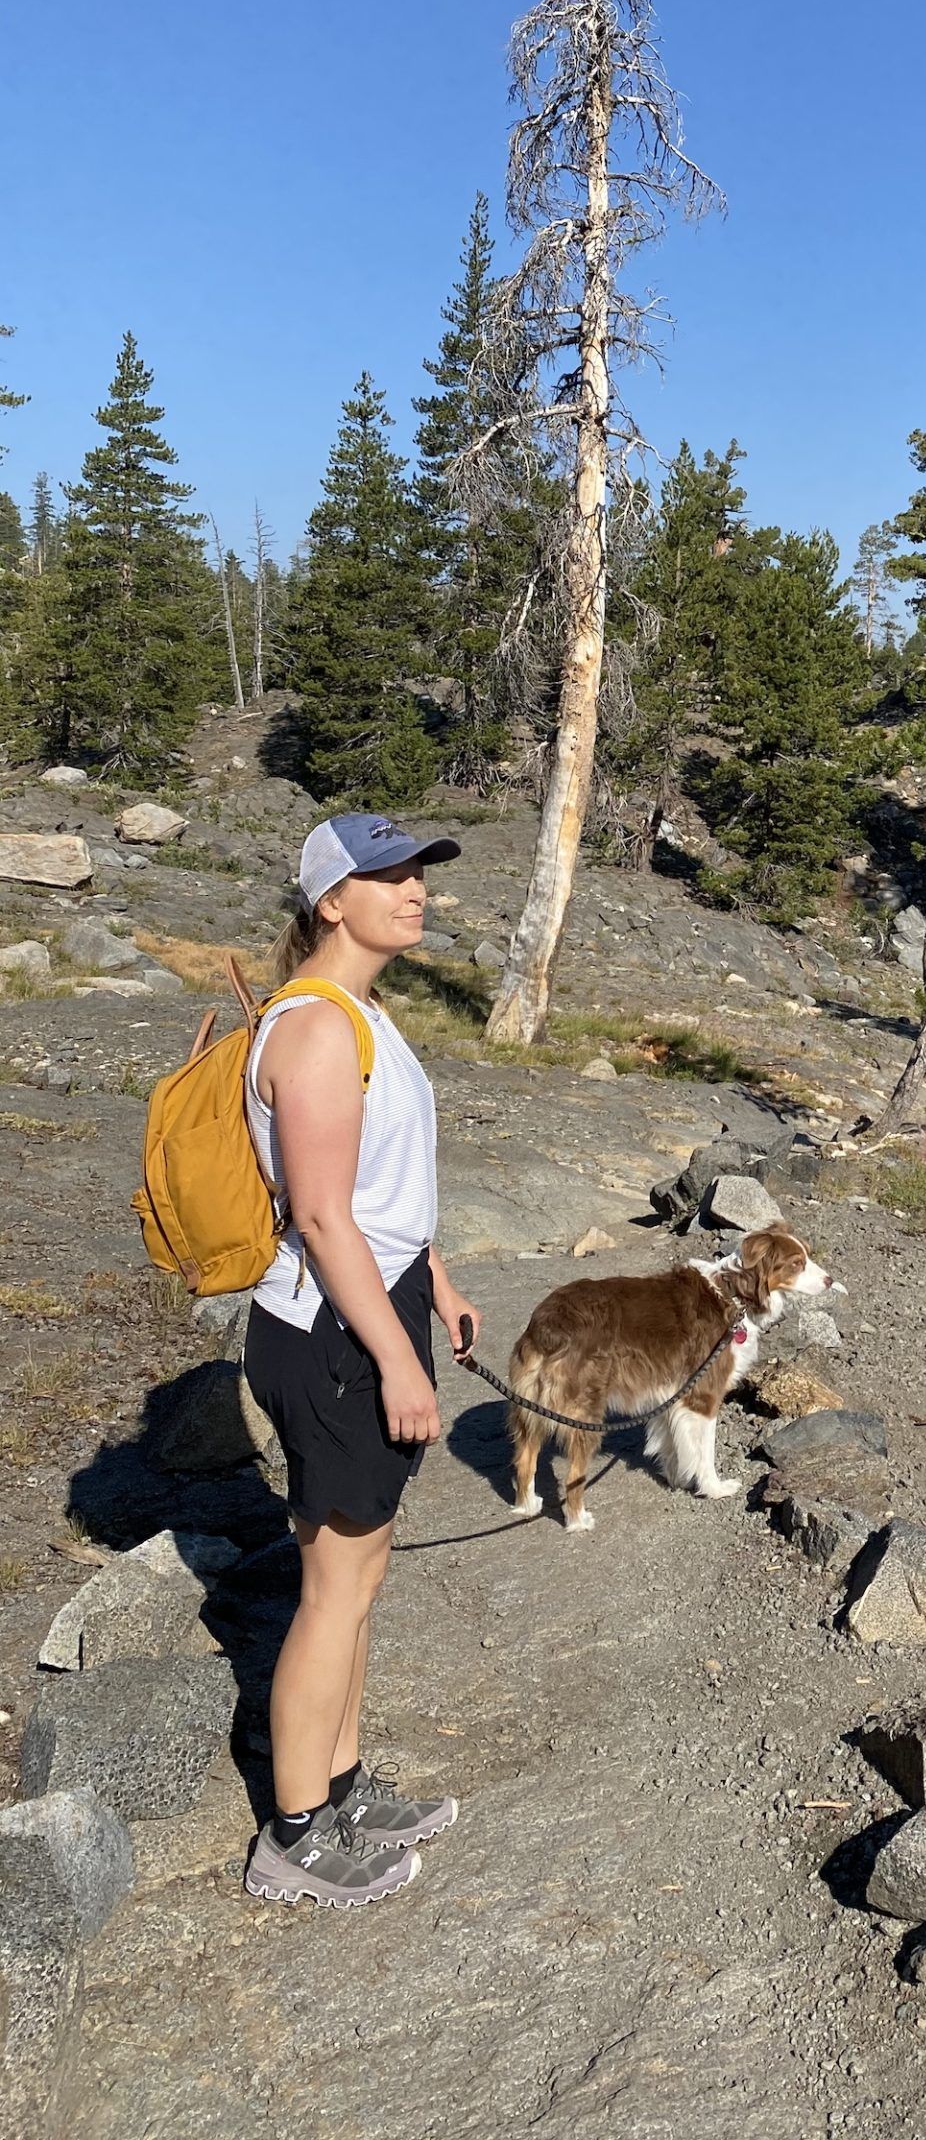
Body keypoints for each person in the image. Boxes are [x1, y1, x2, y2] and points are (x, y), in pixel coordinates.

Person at [239, 812, 483, 1907]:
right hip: (331, 1332)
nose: (413, 888)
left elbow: (384, 1197)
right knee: (334, 1587)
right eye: (386, 875)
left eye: (418, 872)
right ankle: (293, 1834)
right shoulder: (316, 1030)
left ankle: (337, 1786)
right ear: (330, 901)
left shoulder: (364, 1012)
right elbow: (324, 1219)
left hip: (370, 1310)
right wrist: (399, 1361)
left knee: (359, 1574)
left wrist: (437, 1283)